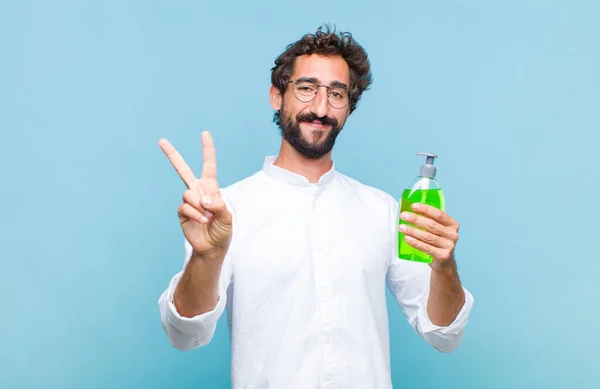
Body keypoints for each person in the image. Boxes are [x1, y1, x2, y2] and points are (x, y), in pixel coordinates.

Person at [157, 25, 474, 389]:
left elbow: (444, 334)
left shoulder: (382, 210)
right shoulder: (225, 211)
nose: (320, 108)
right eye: (306, 88)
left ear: (349, 109)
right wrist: (207, 258)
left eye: (336, 94)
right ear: (277, 96)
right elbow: (184, 335)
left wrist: (444, 266)